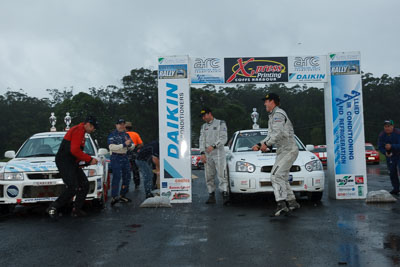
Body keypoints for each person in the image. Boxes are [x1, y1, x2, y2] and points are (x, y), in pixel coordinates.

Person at [252, 93, 300, 217]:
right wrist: (259, 144)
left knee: (275, 175)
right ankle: (292, 202)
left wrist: (266, 144)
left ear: (272, 101)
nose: (264, 104)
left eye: (266, 101)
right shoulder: (273, 115)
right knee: (282, 177)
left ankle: (281, 204)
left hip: (289, 150)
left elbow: (277, 133)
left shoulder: (278, 114)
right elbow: (271, 135)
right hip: (283, 151)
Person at [47, 116, 99, 219]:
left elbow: (75, 152)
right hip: (65, 162)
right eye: (94, 127)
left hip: (71, 162)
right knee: (73, 187)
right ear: (88, 124)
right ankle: (53, 207)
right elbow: (74, 150)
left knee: (84, 184)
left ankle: (76, 209)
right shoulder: (78, 130)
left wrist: (84, 161)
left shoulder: (81, 131)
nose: (94, 130)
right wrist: (89, 159)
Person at [199, 107, 229, 205]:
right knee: (208, 175)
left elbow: (224, 138)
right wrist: (202, 153)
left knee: (222, 175)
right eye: (202, 116)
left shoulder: (221, 123)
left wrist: (214, 146)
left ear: (210, 114)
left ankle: (225, 195)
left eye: (204, 115)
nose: (203, 118)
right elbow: (201, 140)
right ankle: (211, 195)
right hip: (208, 154)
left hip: (218, 152)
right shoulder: (203, 127)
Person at [107, 119, 135, 205]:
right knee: (117, 177)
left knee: (127, 177)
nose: (122, 126)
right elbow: (111, 147)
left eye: (123, 124)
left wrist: (130, 145)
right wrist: (123, 145)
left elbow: (132, 145)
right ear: (116, 125)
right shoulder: (112, 135)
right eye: (120, 124)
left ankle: (123, 195)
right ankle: (114, 197)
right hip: (115, 157)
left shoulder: (126, 135)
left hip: (125, 157)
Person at [378, 119, 400, 195]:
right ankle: (396, 189)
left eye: (389, 126)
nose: (387, 128)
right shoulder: (382, 134)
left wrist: (391, 146)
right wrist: (385, 153)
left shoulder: (398, 132)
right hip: (390, 156)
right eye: (385, 126)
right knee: (392, 173)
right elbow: (380, 147)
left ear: (393, 126)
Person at [125, 121, 143, 189]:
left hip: (125, 153)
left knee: (125, 169)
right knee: (135, 169)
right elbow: (141, 144)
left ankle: (125, 184)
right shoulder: (135, 134)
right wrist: (135, 148)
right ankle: (137, 183)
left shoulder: (122, 134)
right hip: (134, 153)